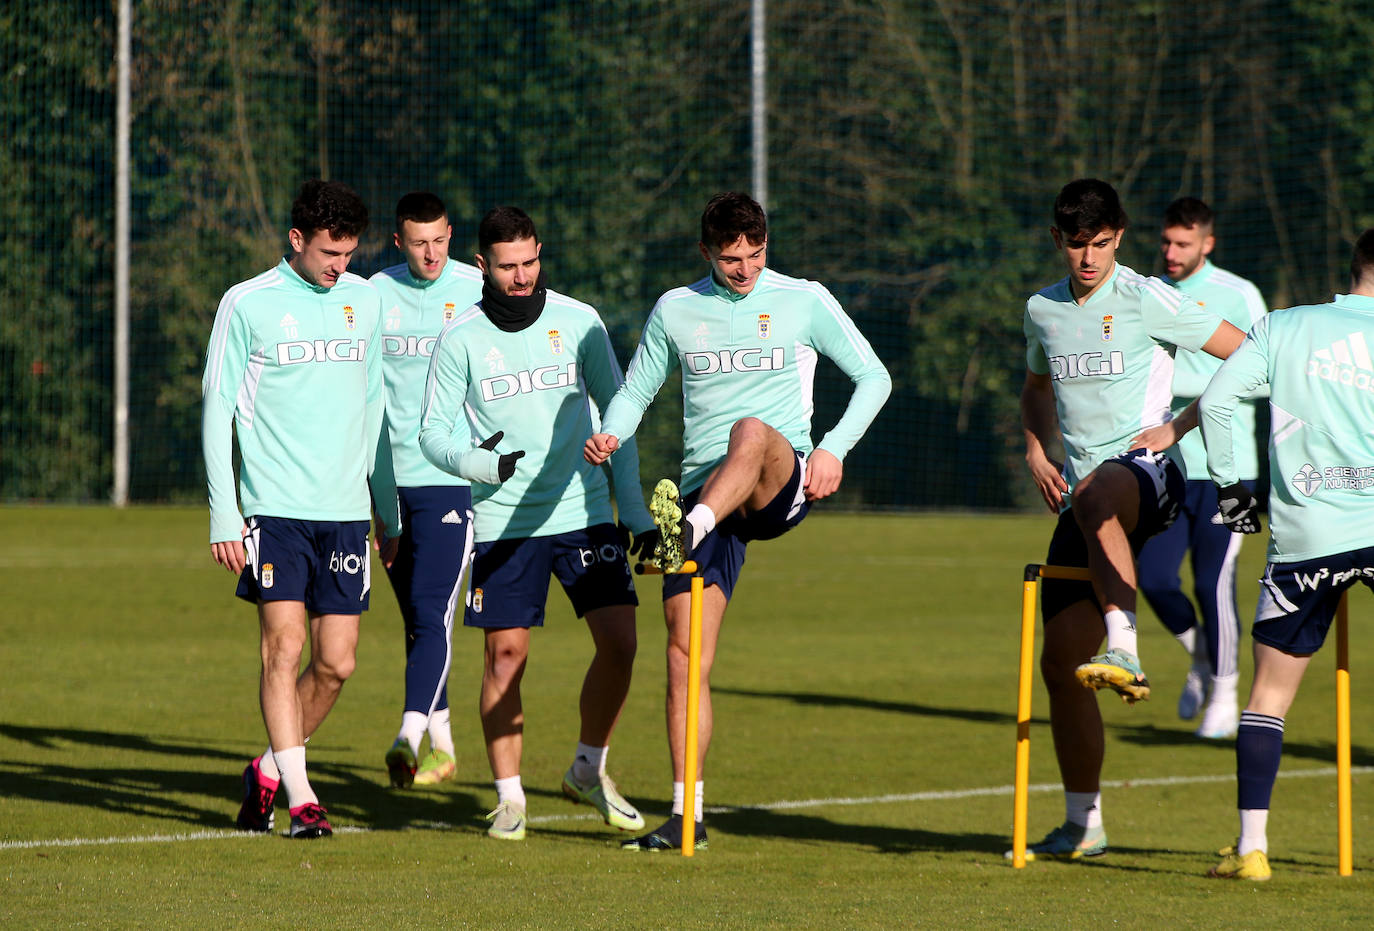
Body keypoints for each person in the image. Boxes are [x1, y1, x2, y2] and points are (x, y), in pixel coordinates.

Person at [585, 191, 892, 852]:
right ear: (706, 251)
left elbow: (874, 376)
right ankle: (684, 812)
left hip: (779, 479)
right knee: (682, 651)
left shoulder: (803, 299)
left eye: (755, 254)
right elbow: (637, 391)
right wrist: (611, 434)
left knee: (751, 430)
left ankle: (686, 530)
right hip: (710, 489)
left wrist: (834, 447)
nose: (744, 268)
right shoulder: (676, 308)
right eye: (730, 258)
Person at [1016, 179, 1245, 861]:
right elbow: (1033, 389)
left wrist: (1179, 425)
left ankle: (1127, 644)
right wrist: (1034, 445)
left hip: (1150, 478)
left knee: (1096, 492)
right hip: (1085, 495)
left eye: (1102, 243)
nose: (1089, 258)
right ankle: (1085, 823)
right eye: (1077, 244)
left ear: (1120, 236)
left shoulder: (1146, 296)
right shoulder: (1042, 310)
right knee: (1059, 663)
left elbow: (1248, 353)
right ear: (1058, 240)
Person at [418, 206, 656, 841]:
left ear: (539, 254)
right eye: (506, 266)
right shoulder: (460, 336)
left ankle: (587, 768)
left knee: (622, 643)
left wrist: (631, 511)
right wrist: (478, 465)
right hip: (502, 520)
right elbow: (432, 435)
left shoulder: (580, 322)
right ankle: (510, 799)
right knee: (504, 657)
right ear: (482, 266)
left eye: (529, 262)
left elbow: (618, 415)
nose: (521, 276)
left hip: (583, 512)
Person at [203, 179, 384, 839]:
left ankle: (270, 768)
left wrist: (382, 508)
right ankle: (304, 798)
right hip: (273, 508)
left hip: (343, 510)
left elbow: (376, 408)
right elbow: (217, 404)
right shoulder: (248, 302)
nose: (341, 265)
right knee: (284, 645)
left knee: (336, 662)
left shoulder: (364, 301)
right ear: (297, 239)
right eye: (330, 252)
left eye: (350, 253)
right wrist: (227, 513)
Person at [1199, 229, 1374, 881]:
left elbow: (1217, 401)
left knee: (1268, 696)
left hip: (1307, 540)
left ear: (1353, 268)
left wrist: (1231, 492)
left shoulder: (1285, 326)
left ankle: (1252, 850)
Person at [1137, 197, 1268, 739]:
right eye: (1166, 241)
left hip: (1227, 471)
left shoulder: (1238, 295)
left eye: (1183, 244)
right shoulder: (1145, 293)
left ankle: (1226, 692)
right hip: (1163, 466)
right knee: (1153, 578)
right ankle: (1203, 660)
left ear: (1207, 245)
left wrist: (1199, 399)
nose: (1171, 252)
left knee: (1214, 583)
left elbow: (1268, 376)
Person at [369, 192, 484, 788]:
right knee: (420, 620)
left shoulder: (475, 288)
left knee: (433, 613)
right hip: (388, 487)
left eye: (440, 239)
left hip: (451, 484)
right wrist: (375, 498)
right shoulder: (372, 295)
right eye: (419, 242)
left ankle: (408, 736)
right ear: (399, 242)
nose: (431, 252)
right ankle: (443, 747)